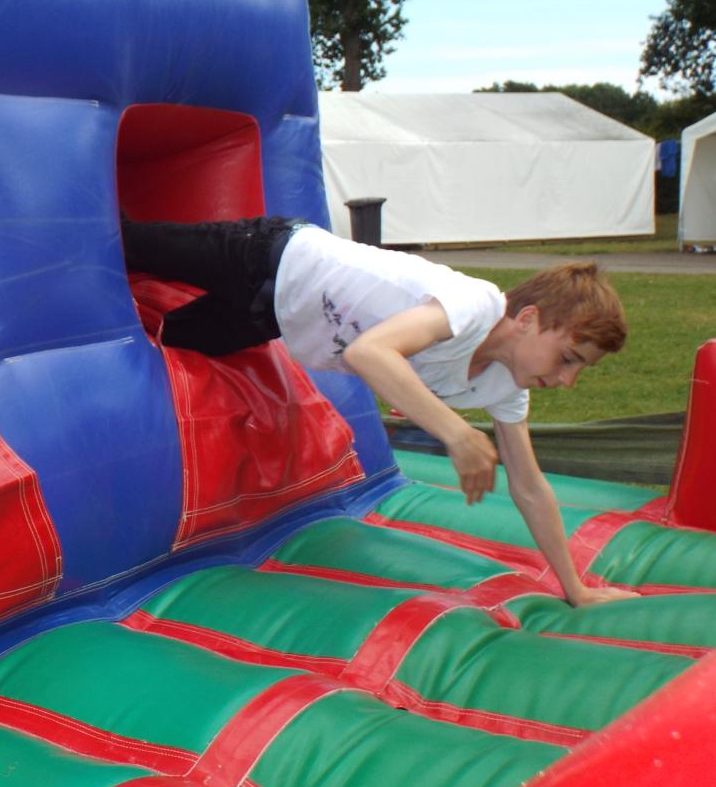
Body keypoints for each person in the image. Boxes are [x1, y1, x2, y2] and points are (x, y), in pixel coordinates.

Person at [122, 215, 635, 606]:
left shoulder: (505, 386)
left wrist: (576, 588)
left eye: (579, 369)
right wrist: (458, 435)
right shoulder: (472, 305)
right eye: (568, 358)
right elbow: (369, 352)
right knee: (127, 243)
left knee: (170, 338)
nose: (567, 380)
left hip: (271, 315)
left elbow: (529, 486)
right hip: (267, 255)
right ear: (528, 319)